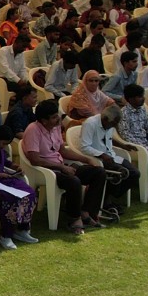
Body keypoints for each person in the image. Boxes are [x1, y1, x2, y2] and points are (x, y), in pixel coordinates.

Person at [21, 99, 108, 235]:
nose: (58, 119)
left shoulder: (55, 127)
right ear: (44, 121)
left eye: (57, 115)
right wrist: (61, 168)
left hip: (61, 166)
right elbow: (35, 160)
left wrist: (86, 159)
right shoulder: (33, 130)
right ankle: (74, 219)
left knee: (99, 172)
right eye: (54, 117)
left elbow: (63, 151)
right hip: (45, 171)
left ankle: (87, 213)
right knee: (74, 181)